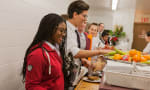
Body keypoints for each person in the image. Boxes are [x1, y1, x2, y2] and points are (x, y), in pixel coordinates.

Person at [65, 0, 112, 89]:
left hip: (73, 73)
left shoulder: (74, 31)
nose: (86, 19)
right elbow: (75, 53)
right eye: (84, 16)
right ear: (75, 14)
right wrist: (99, 52)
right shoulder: (67, 29)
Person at [21, 13, 67, 90]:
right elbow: (31, 86)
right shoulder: (38, 54)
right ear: (50, 29)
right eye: (61, 30)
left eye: (64, 31)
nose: (64, 34)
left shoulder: (54, 50)